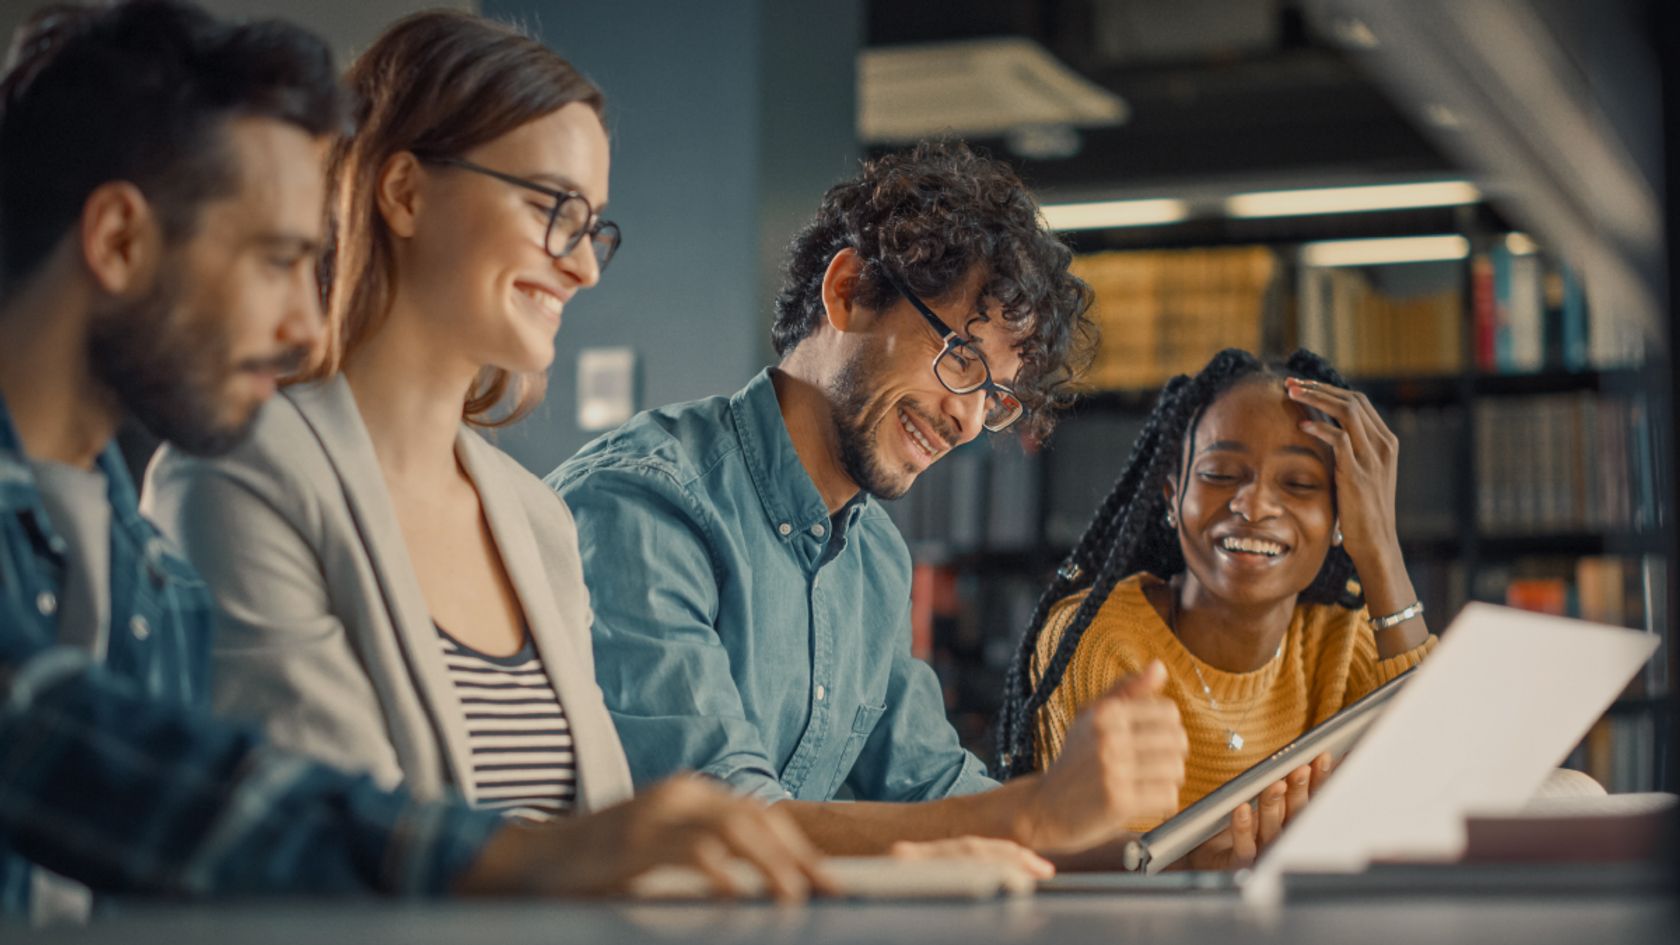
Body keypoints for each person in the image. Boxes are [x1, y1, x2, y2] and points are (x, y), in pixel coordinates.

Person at [0, 1, 821, 921]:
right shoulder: (220, 483)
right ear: (118, 239)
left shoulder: (130, 557)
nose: (304, 329)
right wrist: (531, 854)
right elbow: (203, 805)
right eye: (278, 259)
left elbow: (194, 816)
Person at [552, 140, 1191, 859]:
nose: (970, 420)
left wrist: (1158, 852)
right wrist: (1033, 812)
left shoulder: (875, 556)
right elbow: (721, 824)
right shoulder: (648, 503)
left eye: (996, 396)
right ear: (849, 291)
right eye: (961, 360)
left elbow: (929, 784)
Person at [996, 347, 1436, 868]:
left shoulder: (1347, 642)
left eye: (1299, 484)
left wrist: (1382, 549)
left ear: (1343, 513)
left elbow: (1441, 793)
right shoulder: (1099, 638)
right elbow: (1084, 869)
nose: (1253, 506)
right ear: (1171, 494)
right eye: (1221, 474)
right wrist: (1200, 869)